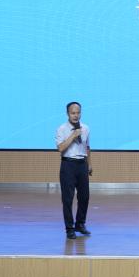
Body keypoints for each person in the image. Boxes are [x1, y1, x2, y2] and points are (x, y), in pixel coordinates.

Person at [55, 101, 92, 239]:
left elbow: (87, 147)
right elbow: (60, 148)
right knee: (67, 198)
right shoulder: (61, 129)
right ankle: (69, 228)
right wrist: (73, 135)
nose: (76, 115)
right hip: (68, 165)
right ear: (68, 114)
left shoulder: (86, 128)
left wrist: (89, 164)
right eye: (73, 113)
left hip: (82, 164)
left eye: (78, 113)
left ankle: (80, 224)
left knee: (84, 196)